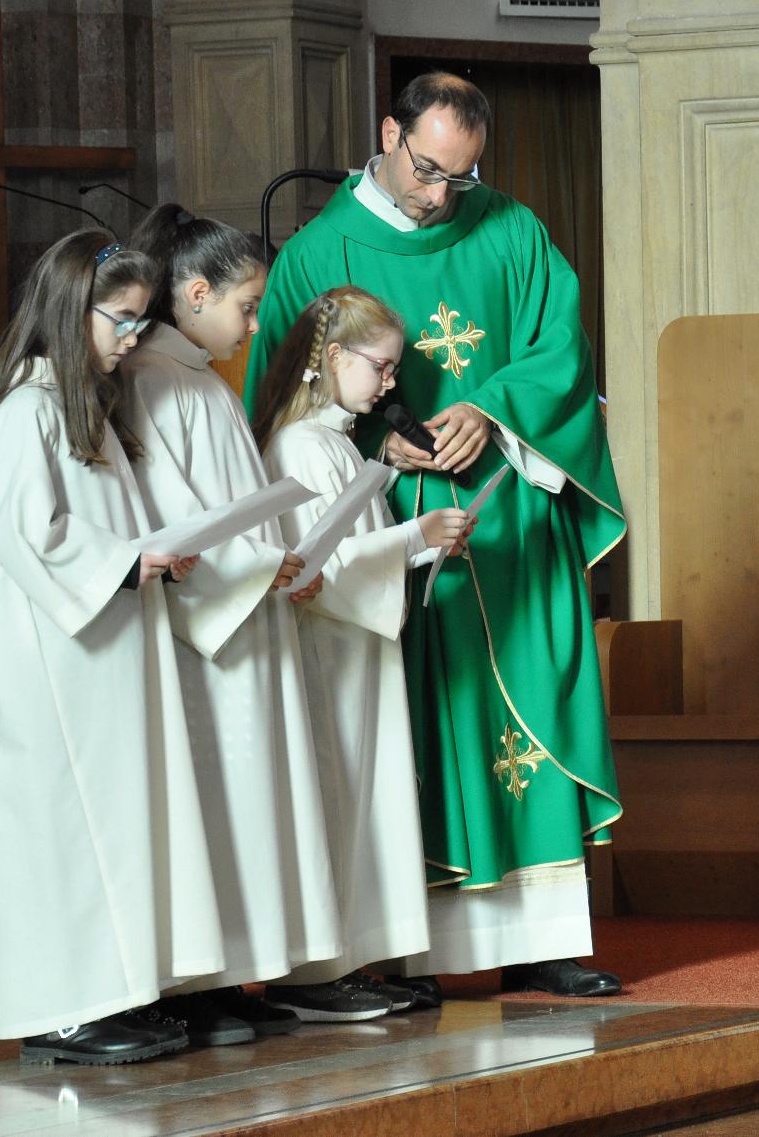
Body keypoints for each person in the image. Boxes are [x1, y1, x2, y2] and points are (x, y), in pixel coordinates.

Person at [242, 72, 625, 999]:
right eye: (428, 169)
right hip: (391, 529)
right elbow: (280, 402)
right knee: (413, 726)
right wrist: (384, 443)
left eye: (462, 175)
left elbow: (562, 351)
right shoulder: (318, 253)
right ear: (389, 133)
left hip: (509, 513)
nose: (443, 193)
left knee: (532, 704)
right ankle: (406, 944)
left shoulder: (511, 230)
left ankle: (542, 938)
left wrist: (491, 409)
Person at [114, 203, 378, 1039]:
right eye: (247, 306)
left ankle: (238, 972)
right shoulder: (151, 379)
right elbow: (170, 516)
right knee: (216, 806)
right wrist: (263, 564)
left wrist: (280, 559)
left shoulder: (200, 378)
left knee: (254, 806)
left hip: (250, 615)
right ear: (194, 293)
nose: (257, 325)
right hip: (205, 637)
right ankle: (199, 980)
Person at [0, 229, 216, 1065]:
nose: (135, 338)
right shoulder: (26, 412)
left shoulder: (85, 410)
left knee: (111, 825)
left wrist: (154, 554)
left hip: (99, 653)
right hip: (48, 666)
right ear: (72, 312)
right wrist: (127, 562)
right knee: (62, 830)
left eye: (142, 321)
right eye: (123, 320)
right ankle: (63, 1007)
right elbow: (18, 531)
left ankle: (113, 992)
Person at [251, 286, 474, 1012]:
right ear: (333, 356)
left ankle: (353, 956)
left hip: (358, 652)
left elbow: (353, 551)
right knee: (335, 795)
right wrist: (414, 536)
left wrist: (425, 547)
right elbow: (315, 568)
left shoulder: (336, 443)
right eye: (380, 366)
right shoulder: (299, 446)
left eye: (393, 368)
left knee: (363, 800)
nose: (389, 383)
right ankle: (314, 975)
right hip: (325, 654)